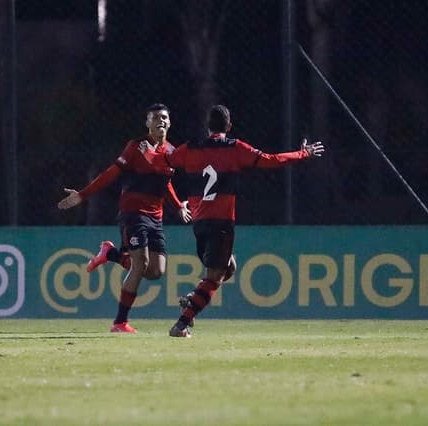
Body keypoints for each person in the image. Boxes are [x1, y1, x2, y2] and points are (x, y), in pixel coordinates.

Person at [140, 104, 324, 337]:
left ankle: (192, 299)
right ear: (229, 125)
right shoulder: (235, 148)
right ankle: (182, 324)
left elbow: (163, 161)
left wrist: (146, 150)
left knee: (229, 267)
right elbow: (272, 160)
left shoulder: (190, 149)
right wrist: (303, 153)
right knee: (215, 277)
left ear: (207, 127)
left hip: (199, 223)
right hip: (221, 222)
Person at [57, 103, 192, 333]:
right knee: (141, 264)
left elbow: (166, 182)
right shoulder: (135, 147)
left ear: (170, 123)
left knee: (156, 271)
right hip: (133, 214)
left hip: (155, 219)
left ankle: (110, 254)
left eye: (165, 118)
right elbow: (111, 173)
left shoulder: (171, 152)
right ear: (147, 123)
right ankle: (120, 322)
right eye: (156, 117)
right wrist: (83, 195)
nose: (162, 121)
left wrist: (179, 206)